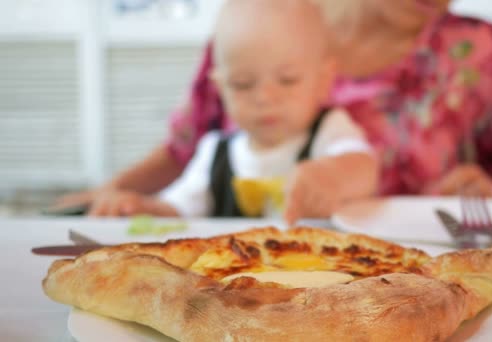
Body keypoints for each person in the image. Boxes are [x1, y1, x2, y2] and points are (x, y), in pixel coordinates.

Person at [54, 0, 492, 218]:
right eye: (246, 85)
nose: (264, 93)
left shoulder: (485, 52)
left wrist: (491, 193)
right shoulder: (255, 26)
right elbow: (184, 157)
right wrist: (108, 197)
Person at [69, 0, 377, 222]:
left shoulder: (330, 131)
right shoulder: (213, 152)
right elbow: (179, 210)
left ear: (324, 80)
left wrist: (335, 176)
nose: (265, 97)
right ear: (219, 88)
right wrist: (140, 207)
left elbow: (364, 166)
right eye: (243, 84)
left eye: (287, 80)